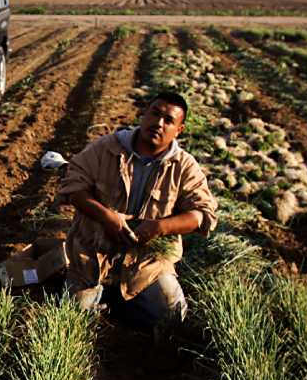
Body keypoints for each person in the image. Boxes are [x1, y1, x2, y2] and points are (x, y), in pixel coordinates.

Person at [57, 90, 219, 327]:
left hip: (146, 265)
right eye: (155, 114)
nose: (159, 123)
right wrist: (105, 217)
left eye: (169, 121)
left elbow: (203, 214)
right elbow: (73, 186)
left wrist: (160, 227)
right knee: (71, 317)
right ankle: (101, 299)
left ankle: (129, 312)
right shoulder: (106, 148)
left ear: (179, 130)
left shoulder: (184, 166)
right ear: (144, 115)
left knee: (174, 314)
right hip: (93, 258)